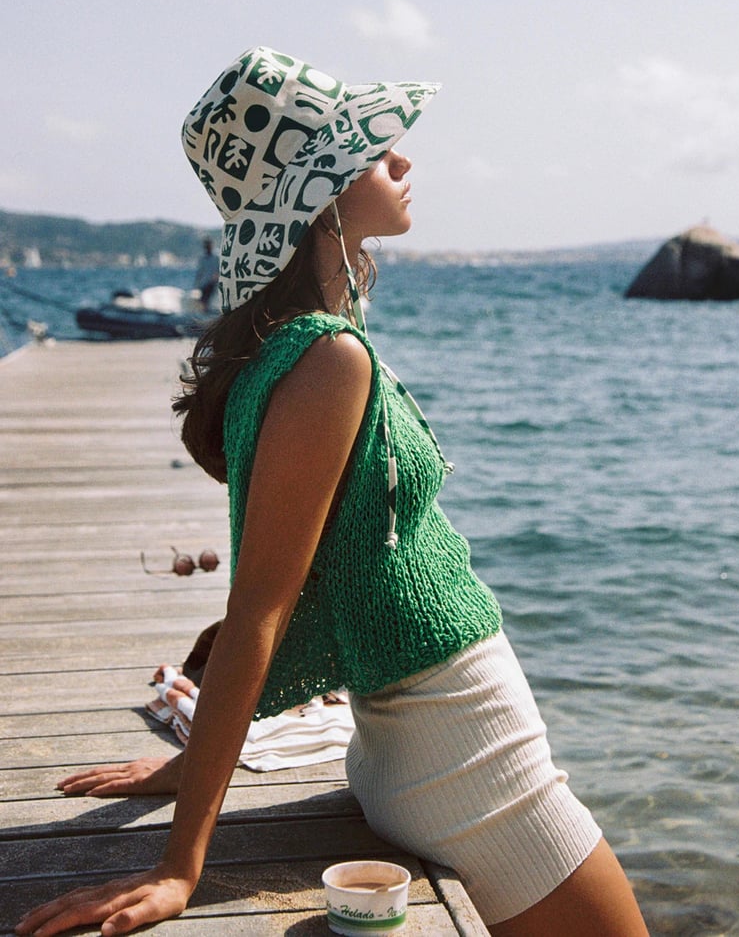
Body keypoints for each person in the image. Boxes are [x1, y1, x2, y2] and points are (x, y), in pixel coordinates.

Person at [16, 47, 648, 937]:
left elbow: (302, 573)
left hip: (425, 743)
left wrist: (186, 764)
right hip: (469, 756)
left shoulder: (294, 346)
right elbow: (260, 609)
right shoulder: (326, 359)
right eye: (375, 149)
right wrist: (178, 867)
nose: (404, 161)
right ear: (320, 195)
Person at [192, 237, 219, 310]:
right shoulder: (202, 258)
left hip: (212, 283)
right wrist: (196, 285)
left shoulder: (216, 257)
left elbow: (219, 270)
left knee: (208, 300)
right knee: (204, 301)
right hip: (204, 283)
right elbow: (200, 272)